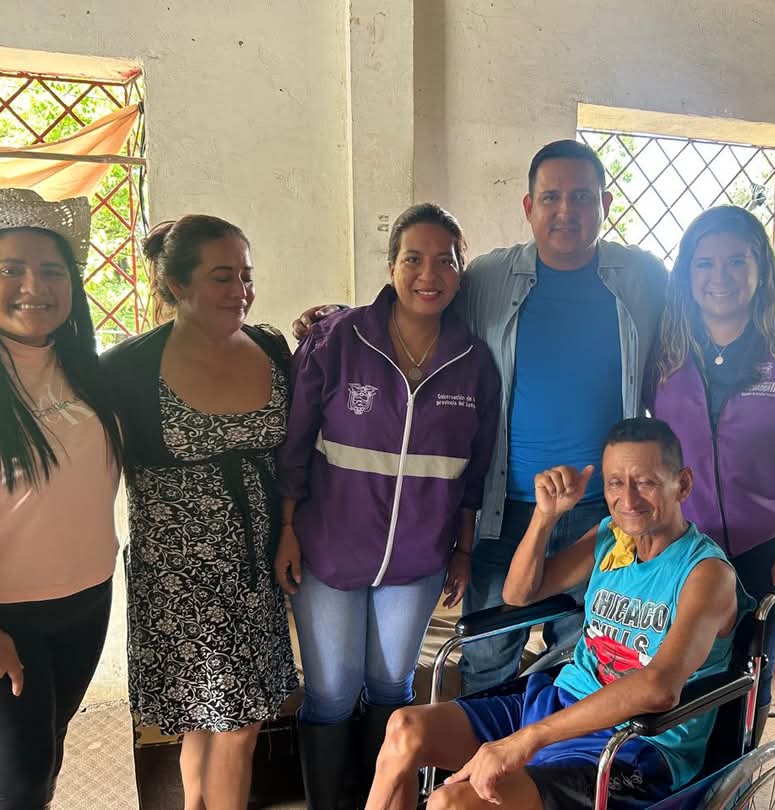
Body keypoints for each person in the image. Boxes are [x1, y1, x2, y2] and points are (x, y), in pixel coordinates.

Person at [294, 140, 670, 694]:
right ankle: (483, 750)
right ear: (528, 207)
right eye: (551, 197)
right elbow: (422, 298)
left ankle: (553, 750)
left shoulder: (644, 279)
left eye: (582, 197)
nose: (566, 210)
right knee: (488, 656)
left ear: (606, 204)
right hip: (504, 510)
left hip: (602, 510)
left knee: (585, 658)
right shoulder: (492, 276)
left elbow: (696, 329)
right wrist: (336, 319)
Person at [365, 418, 752, 810]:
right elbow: (518, 594)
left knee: (452, 802)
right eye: (615, 483)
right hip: (562, 701)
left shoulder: (706, 574)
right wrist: (545, 517)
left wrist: (528, 739)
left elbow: (659, 688)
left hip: (634, 743)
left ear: (682, 484)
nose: (628, 498)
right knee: (404, 730)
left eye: (645, 482)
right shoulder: (611, 536)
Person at [275, 203, 500, 807]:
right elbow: (295, 445)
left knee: (391, 686)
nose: (429, 274)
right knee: (330, 691)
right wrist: (288, 527)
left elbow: (473, 471)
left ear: (461, 272)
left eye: (445, 261)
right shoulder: (337, 339)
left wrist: (462, 549)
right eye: (413, 259)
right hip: (328, 552)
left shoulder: (474, 363)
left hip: (418, 560)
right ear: (391, 265)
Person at [103, 215, 298, 810]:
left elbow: (295, 455)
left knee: (230, 721)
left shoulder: (271, 347)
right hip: (179, 577)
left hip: (255, 569)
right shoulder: (126, 368)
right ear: (176, 284)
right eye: (221, 277)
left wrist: (290, 530)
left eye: (246, 275)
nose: (240, 290)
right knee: (219, 722)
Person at [649, 205, 775, 740]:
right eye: (705, 263)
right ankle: (677, 774)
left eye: (737, 261)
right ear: (687, 273)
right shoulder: (663, 344)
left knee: (749, 671)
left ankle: (736, 774)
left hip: (768, 545)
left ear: (762, 269)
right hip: (683, 544)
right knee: (675, 670)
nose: (721, 277)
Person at [0, 188, 123, 808]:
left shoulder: (87, 371)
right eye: (10, 269)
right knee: (9, 785)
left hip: (85, 601)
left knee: (44, 757)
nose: (34, 286)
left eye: (52, 270)